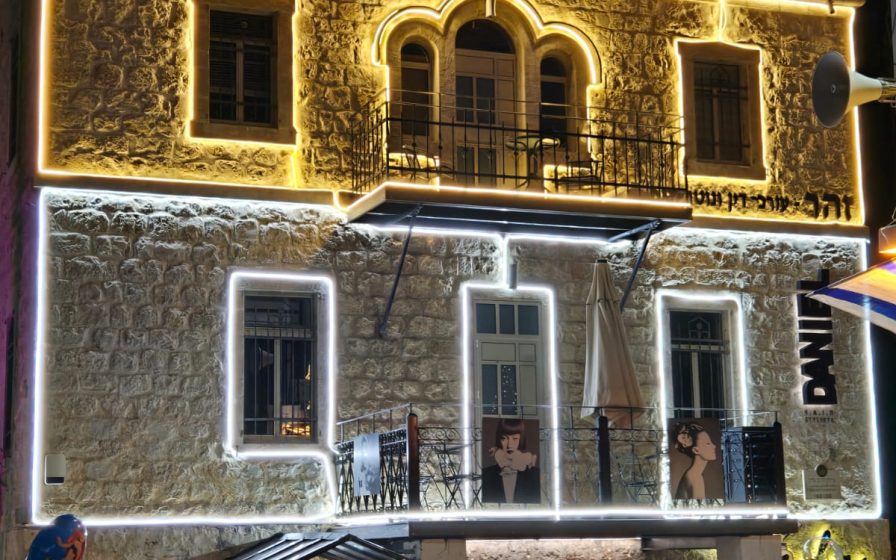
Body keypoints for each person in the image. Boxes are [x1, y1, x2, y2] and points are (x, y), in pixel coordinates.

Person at [481, 419, 540, 504]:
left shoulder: (535, 475)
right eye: (504, 438)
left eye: (515, 438)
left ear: (521, 439)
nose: (510, 445)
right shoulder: (486, 475)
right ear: (499, 440)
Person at [673, 421, 718, 500]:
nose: (714, 446)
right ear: (696, 450)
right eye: (708, 443)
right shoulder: (695, 478)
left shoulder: (692, 474)